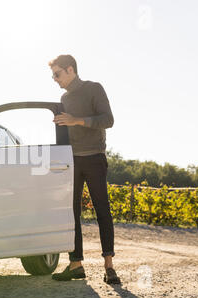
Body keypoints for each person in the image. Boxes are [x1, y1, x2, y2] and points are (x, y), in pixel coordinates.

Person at [49, 54, 121, 284]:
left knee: (102, 210)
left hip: (94, 158)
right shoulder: (63, 98)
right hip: (72, 161)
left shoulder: (94, 89)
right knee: (71, 213)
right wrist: (62, 124)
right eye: (53, 75)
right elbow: (69, 125)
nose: (55, 79)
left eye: (57, 74)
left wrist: (75, 120)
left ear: (70, 70)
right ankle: (75, 264)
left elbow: (108, 120)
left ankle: (109, 266)